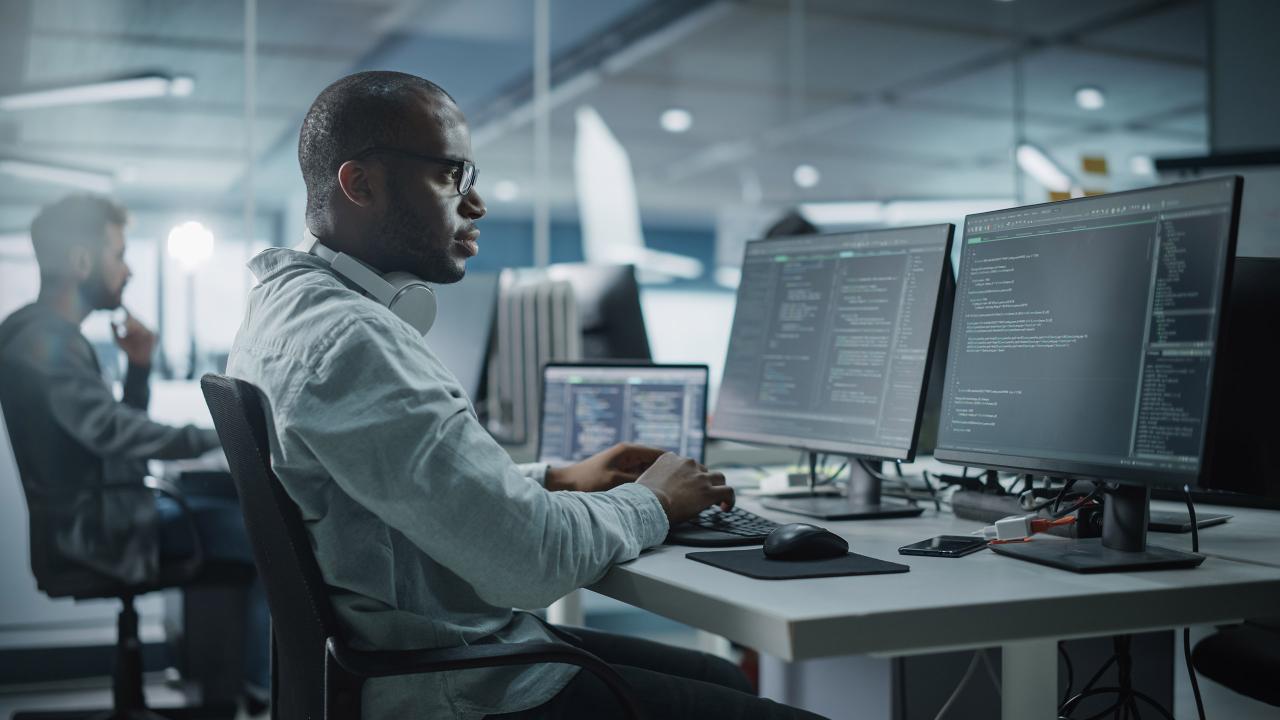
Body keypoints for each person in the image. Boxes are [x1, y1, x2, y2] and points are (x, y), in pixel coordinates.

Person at [225, 71, 827, 720]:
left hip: (407, 658)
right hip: (458, 687)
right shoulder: (354, 340)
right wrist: (653, 500)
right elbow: (533, 564)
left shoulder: (284, 309)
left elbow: (393, 483)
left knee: (720, 676)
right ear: (359, 183)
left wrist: (555, 478)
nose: (475, 203)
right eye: (452, 175)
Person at [0, 194, 270, 707]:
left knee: (240, 510)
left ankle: (238, 686)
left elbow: (108, 441)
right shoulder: (41, 344)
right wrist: (229, 431)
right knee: (266, 532)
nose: (128, 272)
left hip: (101, 513)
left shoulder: (48, 337)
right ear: (81, 262)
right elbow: (116, 433)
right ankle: (259, 688)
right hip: (97, 528)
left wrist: (140, 368)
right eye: (118, 255)